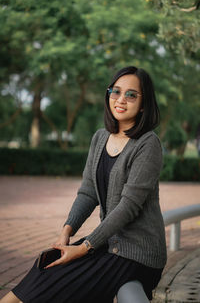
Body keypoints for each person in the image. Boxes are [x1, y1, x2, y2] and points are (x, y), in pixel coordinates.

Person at [1, 66, 167, 303]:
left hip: (138, 255)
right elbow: (88, 191)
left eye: (131, 94)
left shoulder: (147, 144)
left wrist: (84, 247)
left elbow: (128, 207)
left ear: (143, 104)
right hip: (109, 244)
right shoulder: (100, 137)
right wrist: (66, 232)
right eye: (115, 91)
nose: (121, 99)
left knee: (59, 284)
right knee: (45, 267)